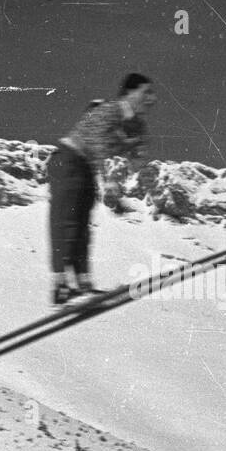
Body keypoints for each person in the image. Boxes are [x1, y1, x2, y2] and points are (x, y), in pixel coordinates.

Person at [47, 73, 156, 304]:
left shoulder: (135, 124)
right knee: (67, 220)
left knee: (83, 227)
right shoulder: (110, 110)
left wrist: (125, 172)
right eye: (146, 92)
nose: (151, 99)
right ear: (130, 92)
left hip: (87, 167)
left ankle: (82, 283)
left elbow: (135, 156)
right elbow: (99, 142)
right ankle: (61, 285)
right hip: (68, 159)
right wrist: (109, 179)